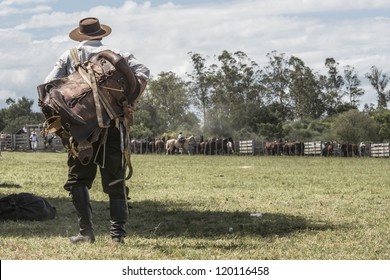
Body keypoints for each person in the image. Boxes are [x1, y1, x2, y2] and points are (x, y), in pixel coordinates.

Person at [44, 17, 150, 244]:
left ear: (81, 36)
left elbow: (49, 84)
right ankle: (117, 236)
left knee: (78, 180)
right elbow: (144, 71)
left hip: (82, 129)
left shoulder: (70, 55)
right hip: (113, 124)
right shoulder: (118, 53)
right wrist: (132, 101)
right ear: (101, 34)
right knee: (115, 178)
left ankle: (86, 232)